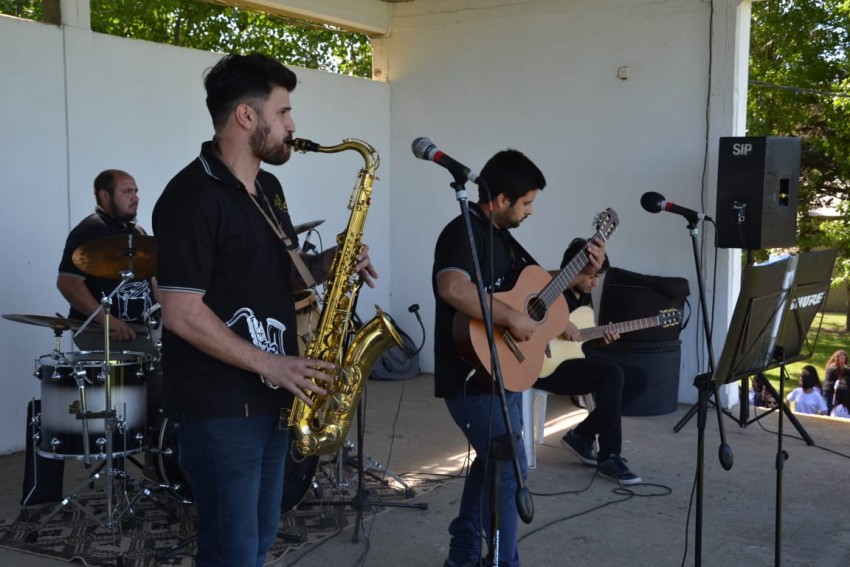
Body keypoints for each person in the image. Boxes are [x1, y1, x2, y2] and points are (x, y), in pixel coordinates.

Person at [152, 53, 376, 567]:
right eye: (284, 111)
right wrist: (272, 364)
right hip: (221, 406)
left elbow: (287, 274)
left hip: (274, 396)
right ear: (247, 116)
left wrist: (333, 261)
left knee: (259, 535)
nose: (293, 125)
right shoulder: (190, 197)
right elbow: (180, 312)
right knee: (230, 548)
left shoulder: (269, 188)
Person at [433, 149, 606, 567]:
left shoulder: (504, 240)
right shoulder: (463, 232)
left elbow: (534, 291)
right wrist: (511, 318)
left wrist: (580, 276)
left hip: (506, 371)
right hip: (471, 375)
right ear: (501, 199)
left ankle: (462, 554)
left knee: (494, 465)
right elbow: (452, 287)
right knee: (510, 469)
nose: (530, 211)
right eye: (526, 203)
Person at [532, 238, 642, 486]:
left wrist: (602, 339)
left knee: (638, 379)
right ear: (574, 271)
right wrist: (560, 323)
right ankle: (609, 456)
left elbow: (580, 343)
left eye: (598, 276)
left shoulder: (585, 298)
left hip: (573, 358)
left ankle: (582, 435)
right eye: (591, 276)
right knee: (612, 373)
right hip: (546, 365)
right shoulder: (551, 291)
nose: (596, 282)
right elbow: (529, 315)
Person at [57, 169, 158, 353]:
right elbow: (68, 283)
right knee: (167, 356)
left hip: (143, 328)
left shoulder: (137, 232)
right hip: (102, 331)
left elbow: (152, 278)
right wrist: (108, 321)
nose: (135, 198)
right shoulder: (88, 231)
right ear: (105, 195)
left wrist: (167, 315)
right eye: (127, 192)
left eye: (135, 191)